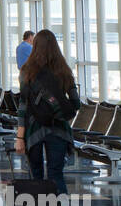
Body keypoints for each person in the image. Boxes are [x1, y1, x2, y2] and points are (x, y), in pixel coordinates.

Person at [15, 29, 80, 196]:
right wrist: (59, 113)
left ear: (35, 46)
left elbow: (23, 106)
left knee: (35, 175)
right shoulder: (64, 71)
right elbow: (76, 103)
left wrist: (19, 137)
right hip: (59, 129)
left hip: (33, 129)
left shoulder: (26, 71)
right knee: (56, 174)